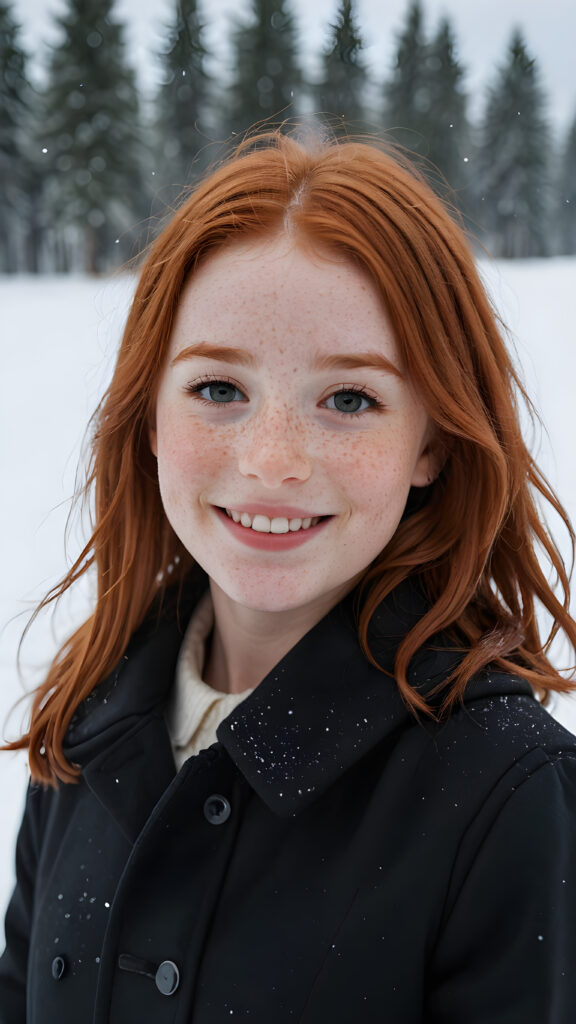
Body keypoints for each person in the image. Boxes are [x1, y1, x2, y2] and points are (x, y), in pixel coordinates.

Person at [1, 130, 576, 1023]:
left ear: (430, 441)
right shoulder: (92, 715)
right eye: (218, 389)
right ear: (148, 414)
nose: (272, 463)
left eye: (349, 400)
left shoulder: (505, 792)